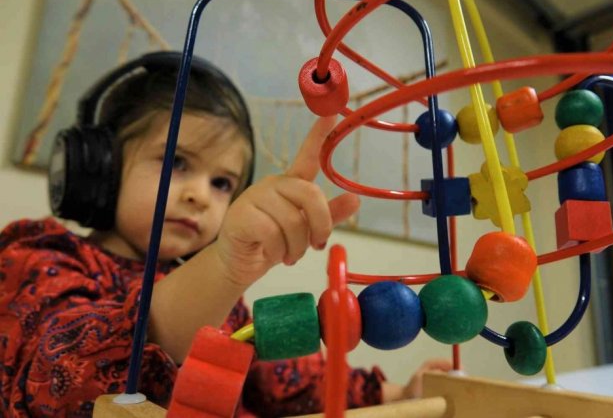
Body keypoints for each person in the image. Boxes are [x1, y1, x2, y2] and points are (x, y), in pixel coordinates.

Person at [0, 51, 452, 417]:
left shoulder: (227, 307)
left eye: (222, 183)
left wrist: (395, 394)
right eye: (177, 162)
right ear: (101, 168)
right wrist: (223, 265)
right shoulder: (39, 257)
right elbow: (57, 380)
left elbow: (288, 382)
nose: (200, 195)